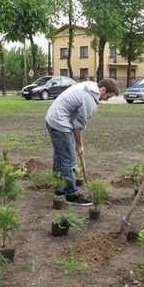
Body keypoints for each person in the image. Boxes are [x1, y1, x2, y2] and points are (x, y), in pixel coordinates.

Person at [45, 78, 119, 206]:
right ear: (103, 89)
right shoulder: (89, 100)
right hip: (59, 122)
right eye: (108, 96)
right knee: (69, 160)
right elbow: (78, 126)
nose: (107, 99)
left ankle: (59, 189)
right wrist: (79, 145)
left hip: (52, 118)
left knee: (59, 157)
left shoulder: (89, 86)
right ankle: (71, 195)